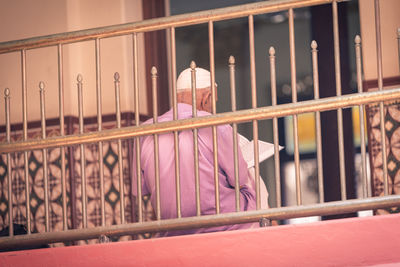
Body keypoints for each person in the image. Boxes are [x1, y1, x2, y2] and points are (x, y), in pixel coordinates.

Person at [133, 67, 258, 237]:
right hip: (221, 224)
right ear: (206, 98)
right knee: (252, 180)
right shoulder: (216, 125)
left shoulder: (144, 131)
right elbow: (239, 178)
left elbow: (141, 189)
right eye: (214, 102)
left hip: (171, 227)